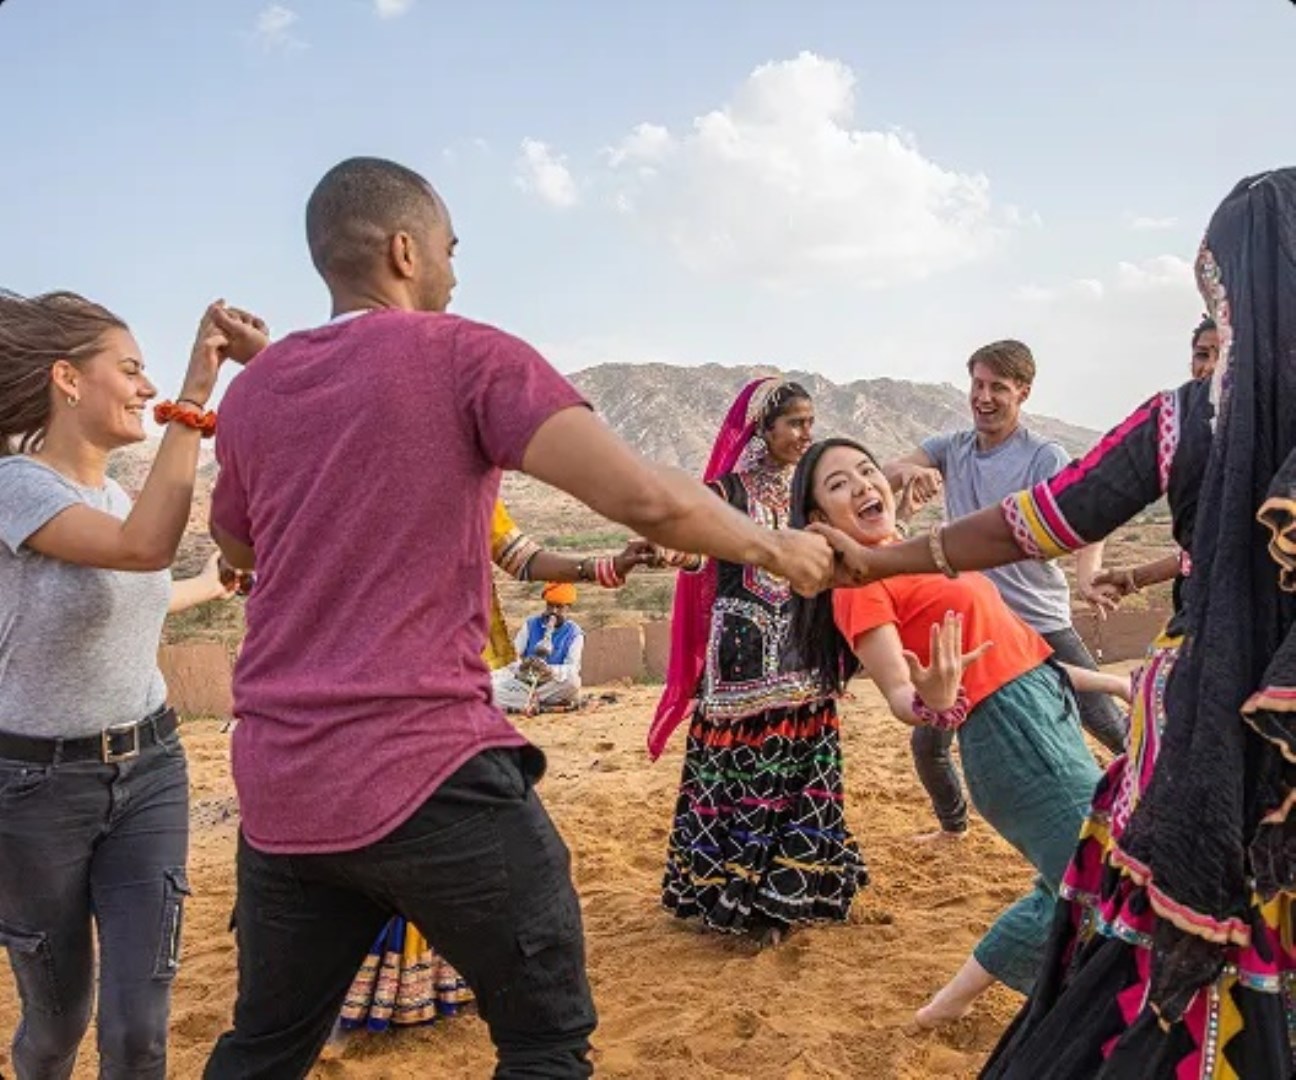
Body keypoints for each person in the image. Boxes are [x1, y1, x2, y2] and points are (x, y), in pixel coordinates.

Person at [203, 156, 833, 1080]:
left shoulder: (255, 392)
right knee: (545, 1041)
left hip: (283, 786)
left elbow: (237, 546)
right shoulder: (463, 353)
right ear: (406, 250)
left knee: (263, 1047)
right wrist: (778, 549)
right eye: (451, 250)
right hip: (423, 766)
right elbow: (645, 497)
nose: (455, 272)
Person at [808, 167, 1296, 1079]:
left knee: (1143, 917)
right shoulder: (983, 451)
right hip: (1052, 700)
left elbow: (1041, 520)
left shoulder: (1184, 421)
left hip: (1193, 722)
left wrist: (885, 558)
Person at [0, 291, 264, 1079]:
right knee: (57, 1024)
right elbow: (142, 549)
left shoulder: (117, 499)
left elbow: (136, 587)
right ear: (67, 379)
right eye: (131, 368)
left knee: (140, 1030)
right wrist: (194, 393)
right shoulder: (16, 487)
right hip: (35, 789)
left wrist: (212, 584)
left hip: (150, 771)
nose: (146, 387)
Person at [788, 436, 1129, 1026]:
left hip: (1045, 717)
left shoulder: (909, 556)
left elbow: (1023, 661)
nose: (863, 485)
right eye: (839, 484)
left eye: (867, 470)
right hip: (1011, 743)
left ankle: (949, 1004)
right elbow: (900, 693)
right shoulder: (859, 589)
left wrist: (1116, 685)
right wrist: (933, 704)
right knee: (1102, 870)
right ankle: (1037, 1005)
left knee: (1075, 880)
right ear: (819, 520)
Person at [338, 502, 654, 1035]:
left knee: (455, 837)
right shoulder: (343, 475)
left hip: (450, 683)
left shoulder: (463, 480)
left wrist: (608, 566)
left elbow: (518, 554)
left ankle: (428, 983)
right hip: (376, 684)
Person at [651, 378, 866, 947]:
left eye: (810, 422)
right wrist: (675, 550)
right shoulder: (724, 493)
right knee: (740, 775)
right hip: (741, 658)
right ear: (762, 429)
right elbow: (696, 551)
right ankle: (736, 898)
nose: (805, 433)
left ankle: (787, 899)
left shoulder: (810, 493)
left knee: (802, 768)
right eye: (794, 423)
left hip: (802, 650)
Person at [885, 341, 1126, 840]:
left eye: (998, 387)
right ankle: (953, 828)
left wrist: (1087, 576)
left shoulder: (1043, 456)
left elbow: (1088, 519)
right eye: (978, 384)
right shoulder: (950, 448)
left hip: (1035, 618)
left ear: (1023, 393)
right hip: (974, 623)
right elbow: (888, 473)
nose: (984, 396)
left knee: (1102, 718)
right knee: (929, 744)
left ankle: (1164, 791)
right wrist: (914, 472)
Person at [492, 582, 585, 714]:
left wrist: (549, 670)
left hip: (550, 685)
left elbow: (572, 668)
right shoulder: (530, 625)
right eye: (550, 605)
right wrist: (523, 665)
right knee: (491, 682)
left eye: (559, 607)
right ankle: (541, 704)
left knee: (573, 683)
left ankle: (524, 702)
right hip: (524, 683)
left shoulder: (575, 634)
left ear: (568, 608)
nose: (553, 611)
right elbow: (512, 657)